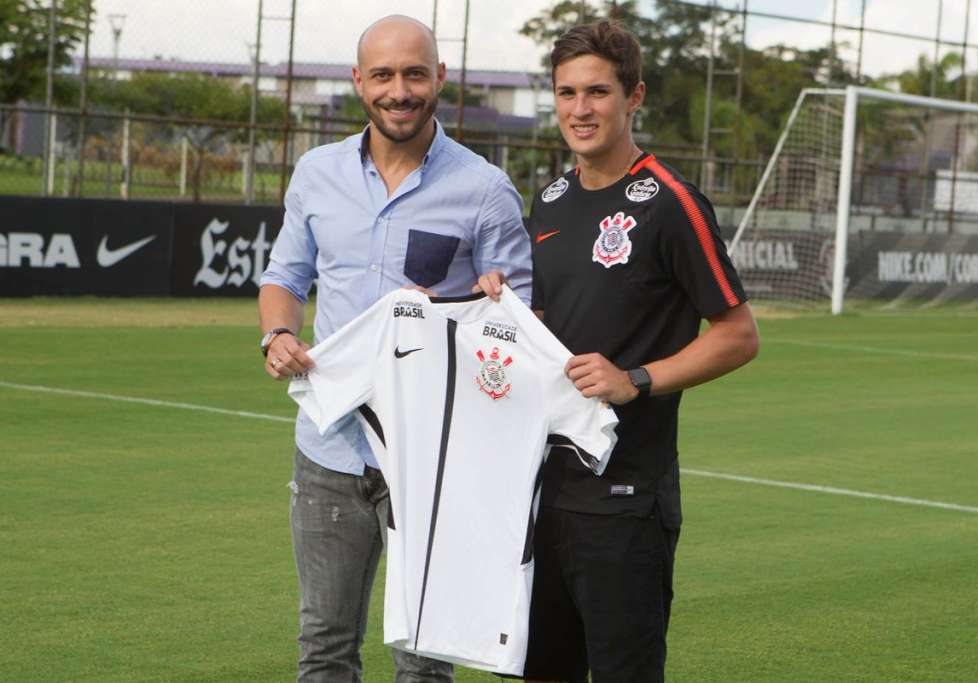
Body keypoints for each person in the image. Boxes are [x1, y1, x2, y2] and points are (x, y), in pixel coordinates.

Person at [477, 20, 759, 683]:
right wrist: (499, 310)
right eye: (567, 92)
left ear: (634, 97)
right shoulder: (549, 202)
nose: (580, 109)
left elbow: (739, 333)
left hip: (627, 502)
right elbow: (543, 328)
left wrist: (636, 378)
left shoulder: (669, 201)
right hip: (542, 494)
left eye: (598, 92)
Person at [258, 14, 532, 682]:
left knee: (424, 660)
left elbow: (524, 325)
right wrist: (278, 332)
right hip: (329, 443)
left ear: (439, 78)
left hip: (435, 458)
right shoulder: (316, 173)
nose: (399, 90)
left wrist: (500, 304)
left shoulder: (485, 188)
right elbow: (285, 277)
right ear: (359, 81)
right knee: (323, 647)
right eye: (383, 74)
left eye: (414, 73)